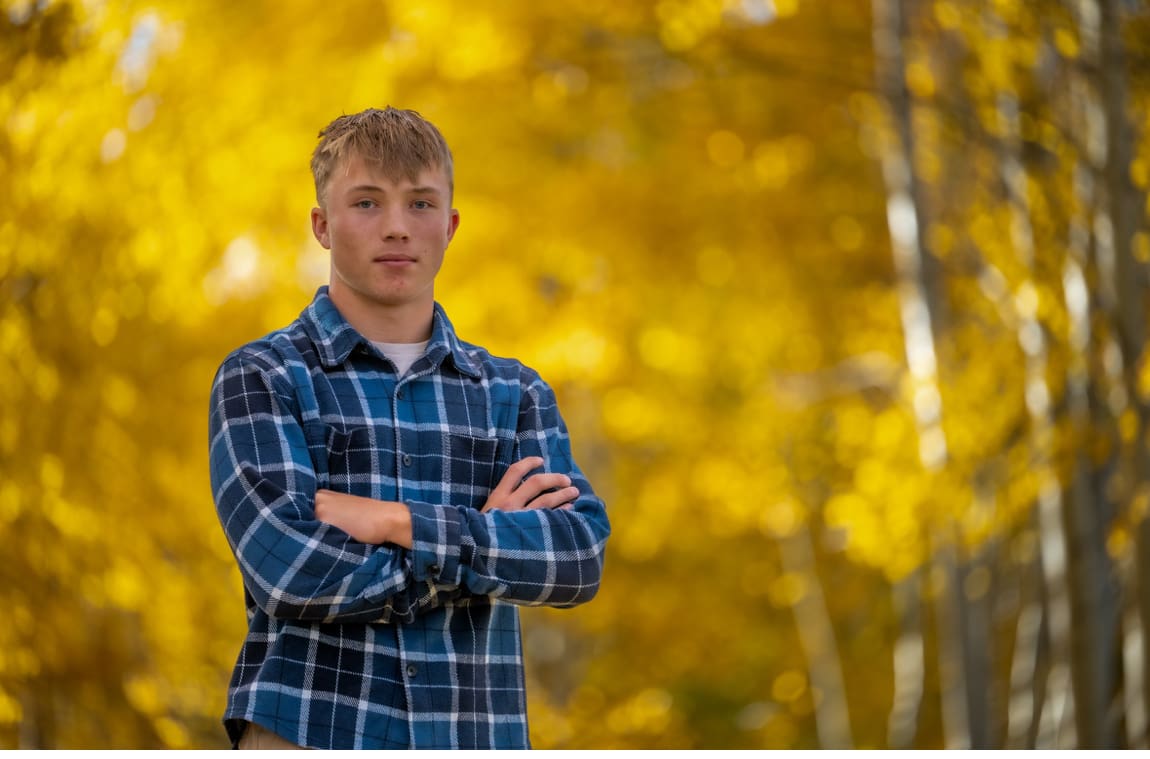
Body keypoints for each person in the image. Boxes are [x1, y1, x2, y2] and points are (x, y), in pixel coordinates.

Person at [207, 107, 610, 750]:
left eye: (420, 204)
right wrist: (482, 538)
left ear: (449, 226)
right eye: (366, 202)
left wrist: (396, 524)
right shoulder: (263, 376)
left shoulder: (514, 393)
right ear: (322, 225)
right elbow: (289, 570)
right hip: (309, 733)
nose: (397, 228)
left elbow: (576, 557)